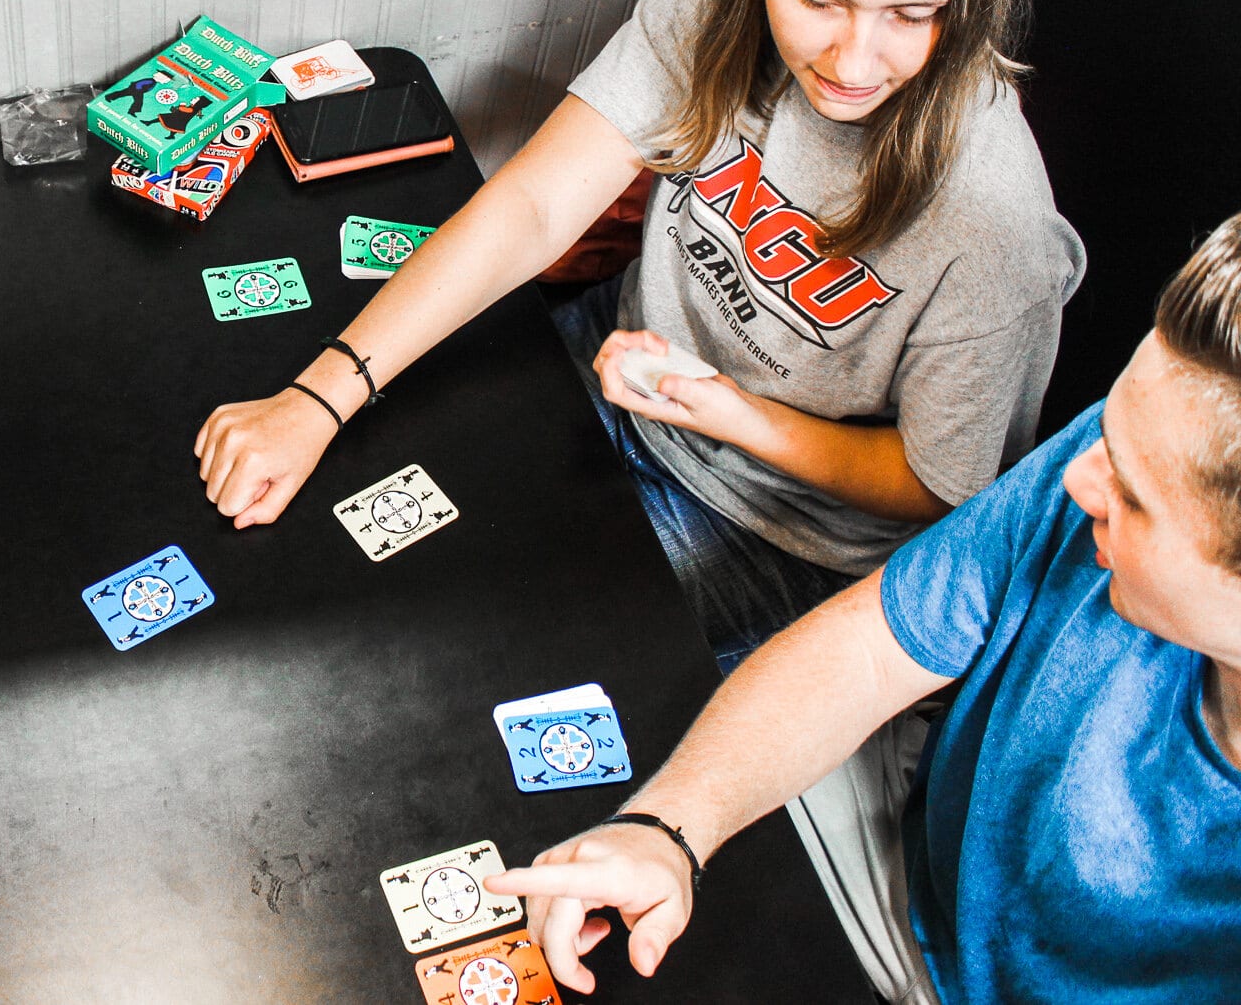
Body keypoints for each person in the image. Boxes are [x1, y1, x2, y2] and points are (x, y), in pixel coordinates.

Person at [196, 0, 1085, 669]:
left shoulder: (999, 227)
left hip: (777, 523)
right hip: (617, 363)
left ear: (971, 1)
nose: (856, 60)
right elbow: (537, 204)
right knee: (333, 551)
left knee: (482, 660)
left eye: (912, 16)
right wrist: (317, 395)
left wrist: (733, 414)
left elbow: (939, 488)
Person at [484, 215, 1241, 1003]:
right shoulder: (1130, 448)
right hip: (901, 853)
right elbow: (871, 647)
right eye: (1105, 433)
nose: (1078, 479)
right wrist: (665, 830)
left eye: (1134, 499)